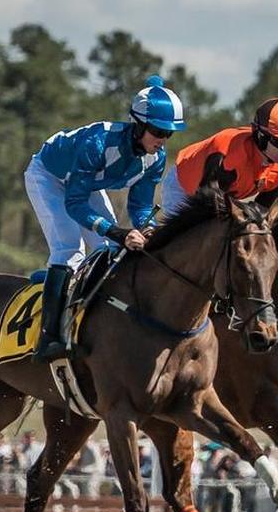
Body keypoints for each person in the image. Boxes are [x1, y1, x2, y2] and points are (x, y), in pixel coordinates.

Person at [24, 74, 185, 362]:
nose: (162, 141)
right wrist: (117, 231)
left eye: (169, 134)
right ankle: (48, 337)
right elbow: (74, 203)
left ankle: (91, 319)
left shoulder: (155, 158)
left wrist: (147, 228)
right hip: (48, 176)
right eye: (159, 132)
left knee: (108, 251)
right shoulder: (98, 144)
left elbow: (140, 207)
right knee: (69, 247)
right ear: (140, 125)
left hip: (85, 185)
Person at [161, 97, 278, 213]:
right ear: (260, 136)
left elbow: (263, 208)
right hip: (183, 186)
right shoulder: (229, 153)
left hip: (219, 197)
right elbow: (207, 201)